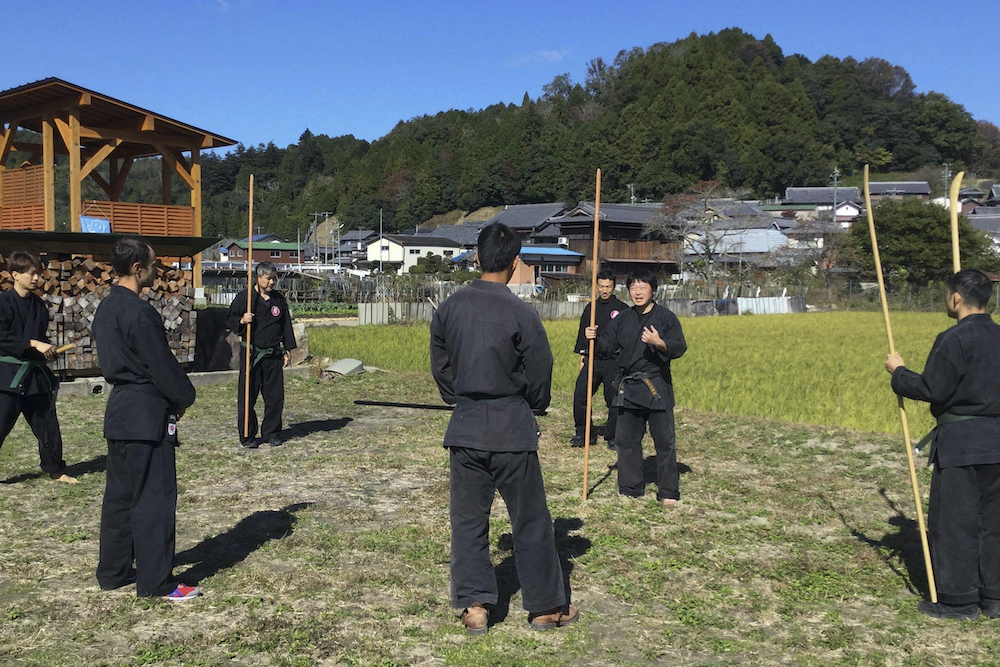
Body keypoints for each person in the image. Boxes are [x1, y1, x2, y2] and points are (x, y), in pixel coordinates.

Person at [430, 222, 579, 635]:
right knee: (530, 520)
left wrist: (455, 395)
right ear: (515, 263)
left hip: (466, 426)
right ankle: (547, 607)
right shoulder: (522, 312)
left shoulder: (449, 309)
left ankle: (475, 606)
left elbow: (441, 368)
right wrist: (533, 403)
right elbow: (541, 367)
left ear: (477, 257)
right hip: (513, 428)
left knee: (468, 520)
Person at [885, 269, 1000, 620]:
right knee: (993, 522)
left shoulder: (953, 338)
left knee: (955, 522)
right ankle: (995, 597)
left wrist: (899, 372)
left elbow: (932, 389)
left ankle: (958, 600)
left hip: (962, 444)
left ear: (956, 298)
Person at [93, 237, 199, 601]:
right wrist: (183, 397)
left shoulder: (106, 309)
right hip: (146, 412)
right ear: (137, 269)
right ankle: (156, 582)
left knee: (120, 497)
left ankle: (113, 571)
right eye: (153, 265)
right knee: (154, 498)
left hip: (120, 411)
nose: (157, 271)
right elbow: (160, 364)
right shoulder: (139, 312)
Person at [586, 268, 687, 506]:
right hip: (629, 386)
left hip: (656, 385)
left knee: (664, 442)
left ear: (653, 291)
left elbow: (679, 347)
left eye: (643, 287)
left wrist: (659, 343)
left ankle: (668, 492)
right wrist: (593, 338)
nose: (638, 292)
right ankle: (631, 487)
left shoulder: (666, 317)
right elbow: (607, 345)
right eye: (633, 287)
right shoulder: (622, 317)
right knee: (625, 439)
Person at [0, 251, 76, 483]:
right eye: (31, 273)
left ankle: (55, 469)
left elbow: (39, 338)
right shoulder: (2, 302)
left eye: (38, 274)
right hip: (7, 378)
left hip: (35, 376)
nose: (36, 278)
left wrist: (47, 352)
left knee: (48, 425)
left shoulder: (39, 306)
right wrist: (32, 343)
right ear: (15, 275)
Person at [226, 261, 296, 448]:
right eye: (268, 279)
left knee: (275, 396)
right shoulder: (246, 298)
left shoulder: (278, 300)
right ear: (258, 278)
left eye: (274, 279)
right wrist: (242, 319)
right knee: (248, 395)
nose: (272, 282)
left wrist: (287, 350)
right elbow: (230, 319)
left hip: (273, 355)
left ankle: (272, 432)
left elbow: (285, 325)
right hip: (251, 354)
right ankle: (248, 435)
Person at [570, 266, 627, 449]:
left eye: (608, 286)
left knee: (613, 398)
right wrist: (583, 355)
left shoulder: (622, 310)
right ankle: (584, 433)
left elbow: (627, 338)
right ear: (596, 286)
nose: (604, 290)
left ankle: (613, 436)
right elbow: (581, 336)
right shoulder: (591, 308)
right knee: (581, 394)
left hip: (613, 361)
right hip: (593, 359)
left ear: (614, 287)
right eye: (601, 286)